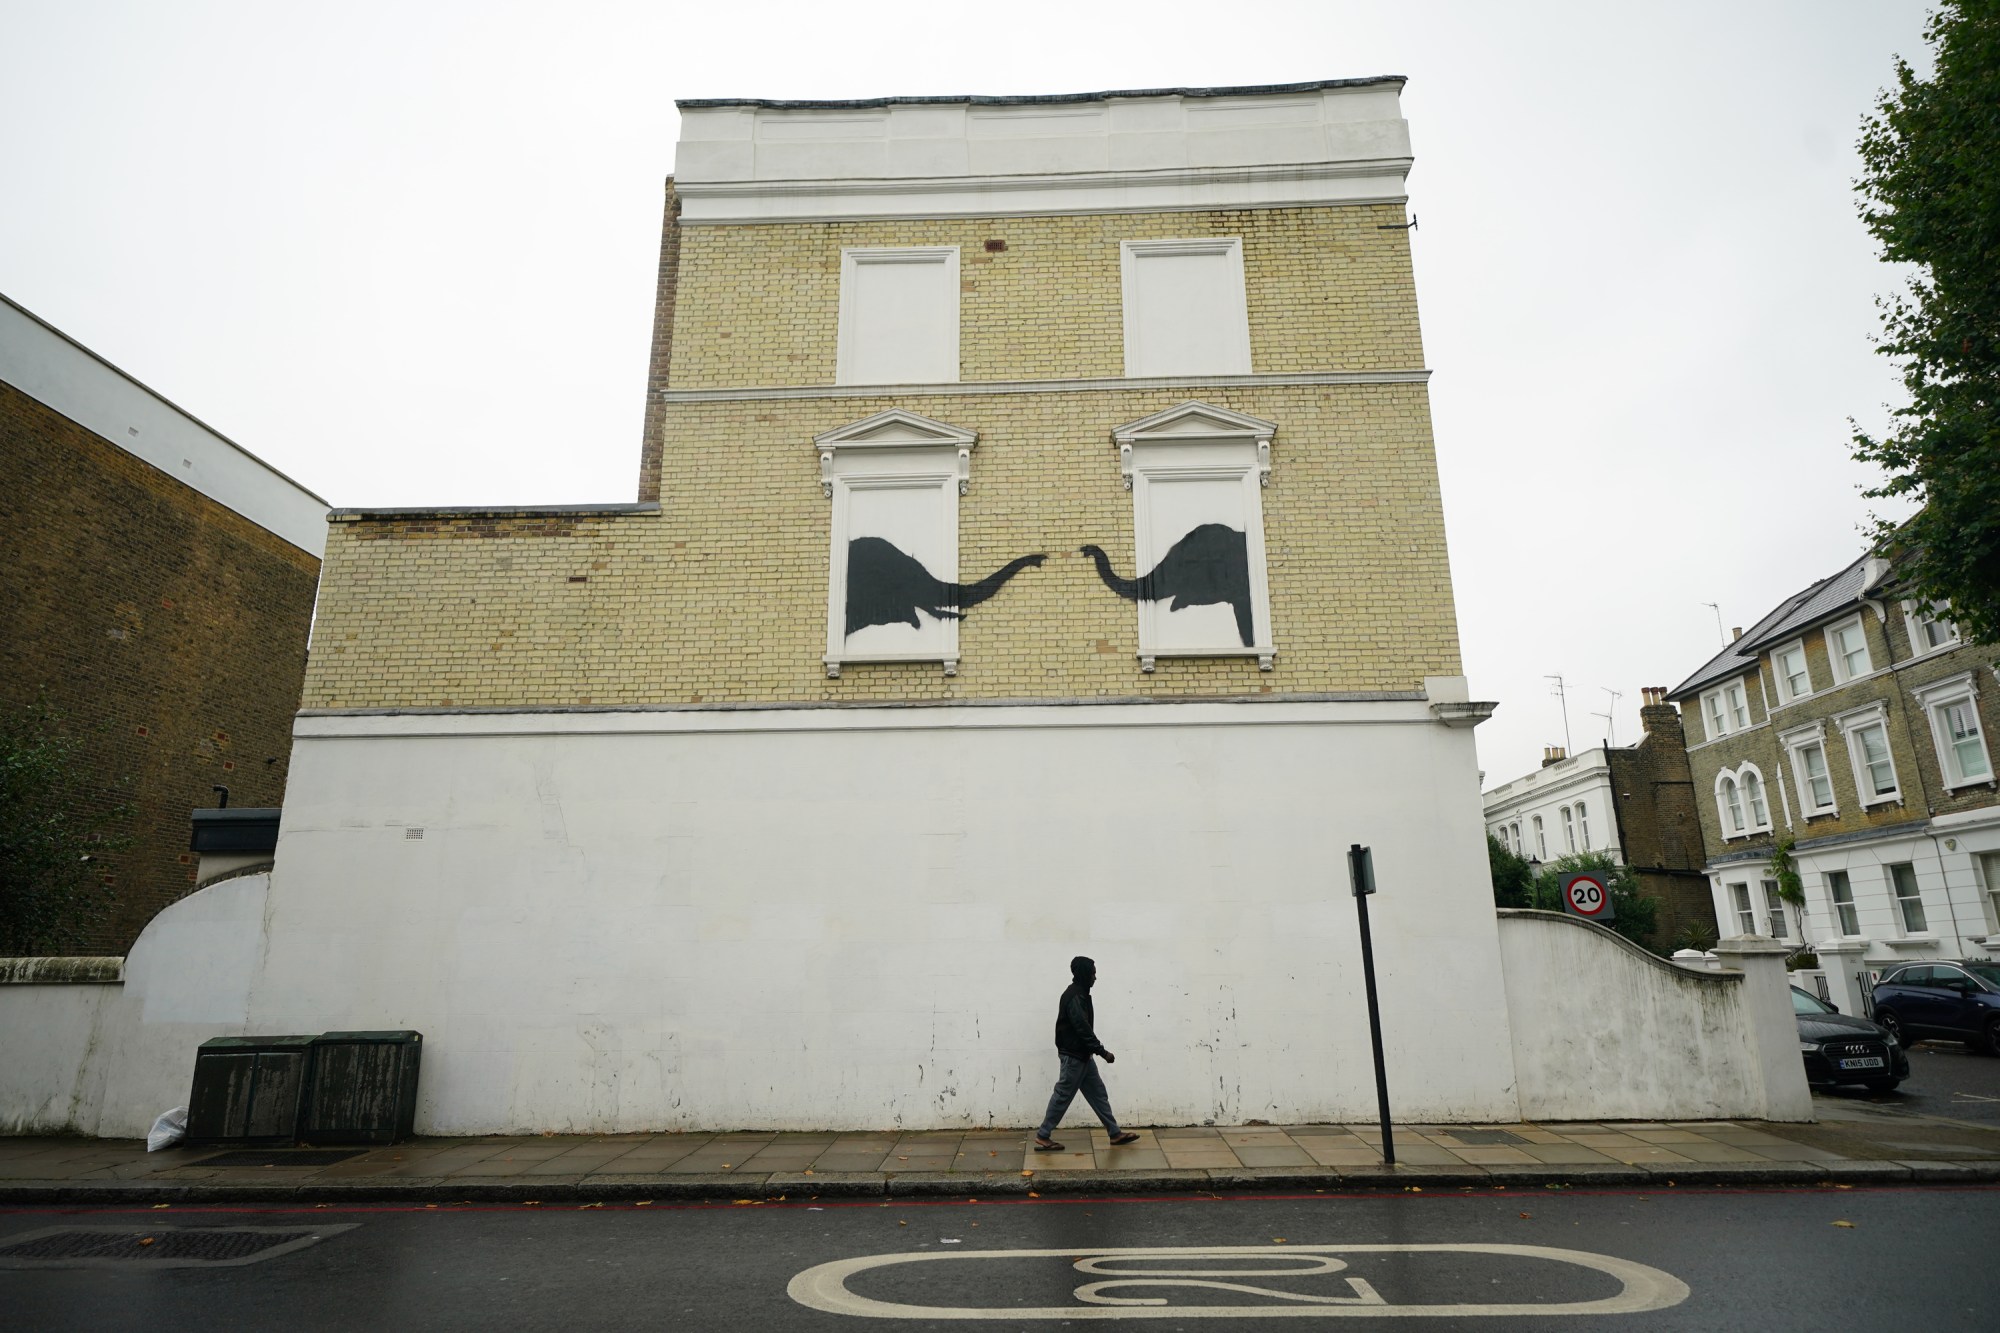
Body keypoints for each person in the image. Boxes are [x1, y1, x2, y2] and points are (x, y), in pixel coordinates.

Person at [1033, 955, 1141, 1151]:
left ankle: (1114, 1133)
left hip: (1082, 1056)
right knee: (1062, 1095)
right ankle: (1043, 1135)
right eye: (1092, 973)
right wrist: (1103, 1052)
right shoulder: (1074, 996)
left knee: (1098, 1094)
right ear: (1084, 974)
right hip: (1074, 1057)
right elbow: (1082, 1029)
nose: (1095, 978)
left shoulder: (1080, 993)